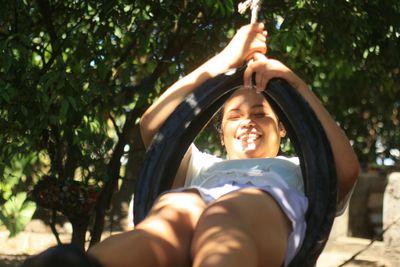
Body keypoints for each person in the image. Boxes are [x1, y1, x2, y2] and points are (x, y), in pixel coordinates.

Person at [88, 23, 360, 267]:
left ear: (282, 128)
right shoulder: (202, 166)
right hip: (193, 220)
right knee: (170, 214)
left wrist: (297, 86)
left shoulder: (301, 168)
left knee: (226, 213)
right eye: (235, 116)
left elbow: (347, 171)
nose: (247, 123)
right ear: (221, 135)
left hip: (253, 220)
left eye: (260, 114)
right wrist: (224, 61)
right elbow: (152, 125)